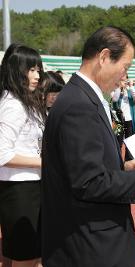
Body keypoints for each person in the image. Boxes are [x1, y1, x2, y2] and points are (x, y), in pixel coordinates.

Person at [41, 26, 135, 267]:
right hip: (90, 246)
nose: (125, 76)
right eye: (125, 67)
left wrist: (120, 167)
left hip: (89, 239)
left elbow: (79, 167)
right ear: (103, 57)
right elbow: (88, 183)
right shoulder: (79, 105)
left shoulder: (79, 97)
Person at [0, 43, 45, 267]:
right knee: (26, 258)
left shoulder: (22, 101)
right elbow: (2, 154)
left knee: (22, 255)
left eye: (38, 70)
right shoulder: (14, 105)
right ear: (16, 70)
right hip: (20, 190)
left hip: (25, 188)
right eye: (31, 70)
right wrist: (44, 162)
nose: (37, 76)